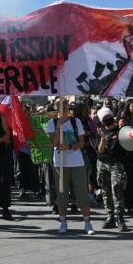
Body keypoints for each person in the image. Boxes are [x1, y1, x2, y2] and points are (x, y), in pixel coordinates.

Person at [47, 99, 95, 235]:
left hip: (76, 162)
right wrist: (58, 127)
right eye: (59, 104)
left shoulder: (76, 122)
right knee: (62, 194)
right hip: (60, 163)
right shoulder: (52, 123)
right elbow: (54, 143)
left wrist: (69, 146)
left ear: (68, 106)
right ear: (55, 107)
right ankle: (63, 222)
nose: (62, 106)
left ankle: (87, 222)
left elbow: (81, 143)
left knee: (82, 194)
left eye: (64, 104)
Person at [96, 107, 128, 231]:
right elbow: (100, 150)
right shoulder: (101, 131)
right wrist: (103, 138)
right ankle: (110, 217)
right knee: (105, 190)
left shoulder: (120, 130)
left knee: (117, 189)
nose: (107, 119)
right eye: (104, 118)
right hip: (102, 163)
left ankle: (120, 217)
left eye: (108, 116)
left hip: (116, 163)